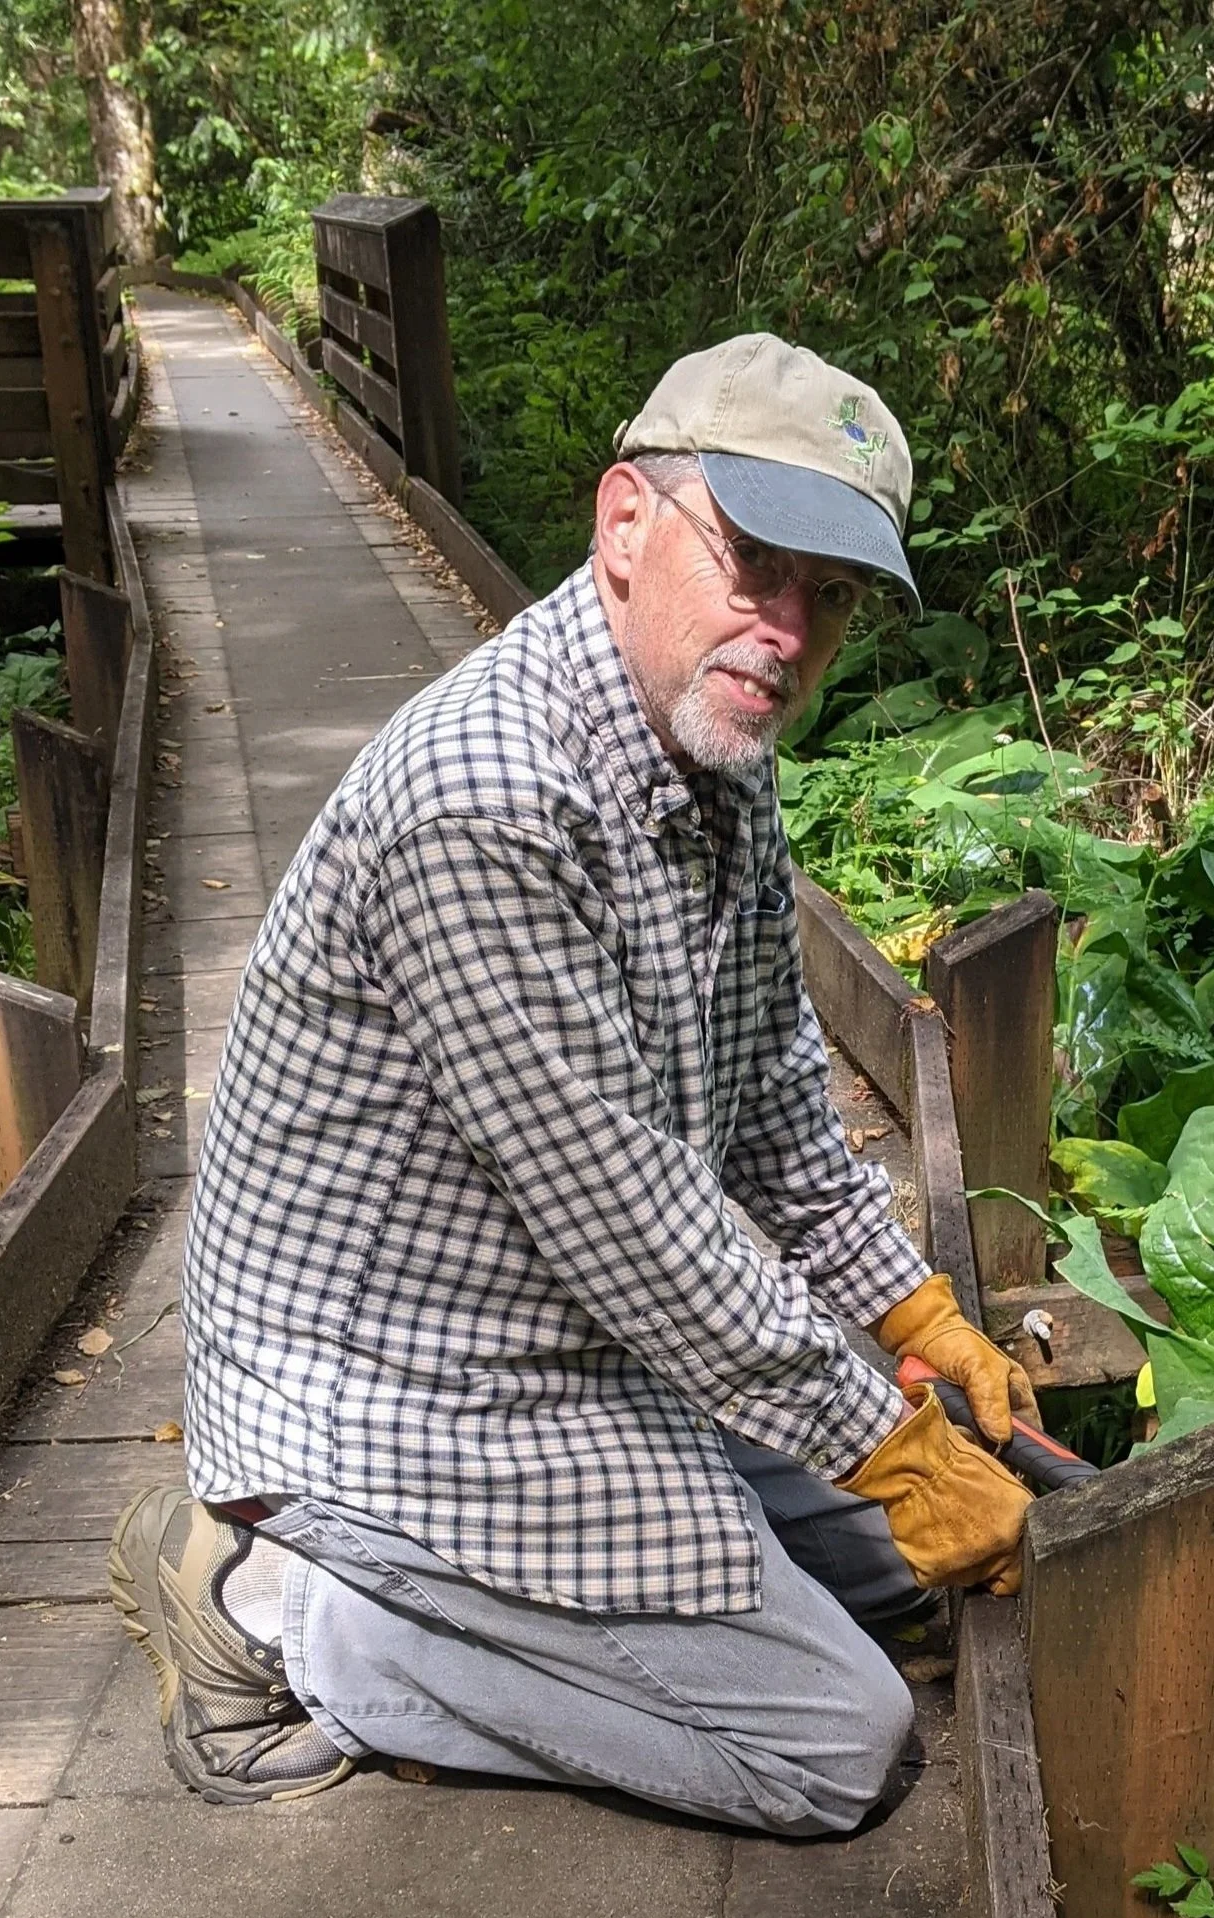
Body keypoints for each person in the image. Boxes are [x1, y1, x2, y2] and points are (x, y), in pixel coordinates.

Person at [109, 333, 1036, 1836]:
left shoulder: (713, 750)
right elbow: (642, 1230)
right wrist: (883, 1437)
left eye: (832, 598)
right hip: (402, 1398)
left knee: (899, 1561)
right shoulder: (483, 805)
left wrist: (912, 1315)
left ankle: (549, 1594)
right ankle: (272, 1602)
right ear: (625, 526)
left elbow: (778, 1107)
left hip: (563, 1342)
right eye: (757, 567)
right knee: (835, 1744)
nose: (791, 632)